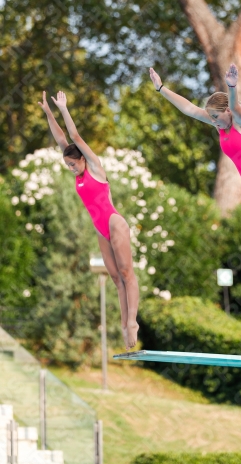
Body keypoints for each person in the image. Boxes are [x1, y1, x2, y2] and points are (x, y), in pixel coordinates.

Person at [150, 63, 241, 321]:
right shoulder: (221, 123)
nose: (214, 123)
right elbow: (189, 109)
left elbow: (236, 104)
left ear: (228, 111)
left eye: (217, 118)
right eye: (212, 119)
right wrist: (161, 89)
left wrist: (231, 86)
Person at [38, 90, 139, 349]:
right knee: (116, 278)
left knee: (127, 273)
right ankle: (123, 322)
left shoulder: (94, 167)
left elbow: (74, 137)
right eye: (68, 166)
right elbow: (61, 139)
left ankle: (132, 323)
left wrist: (62, 108)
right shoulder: (77, 171)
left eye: (73, 164)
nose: (71, 168)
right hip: (100, 230)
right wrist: (48, 113)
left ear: (83, 159)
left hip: (115, 223)